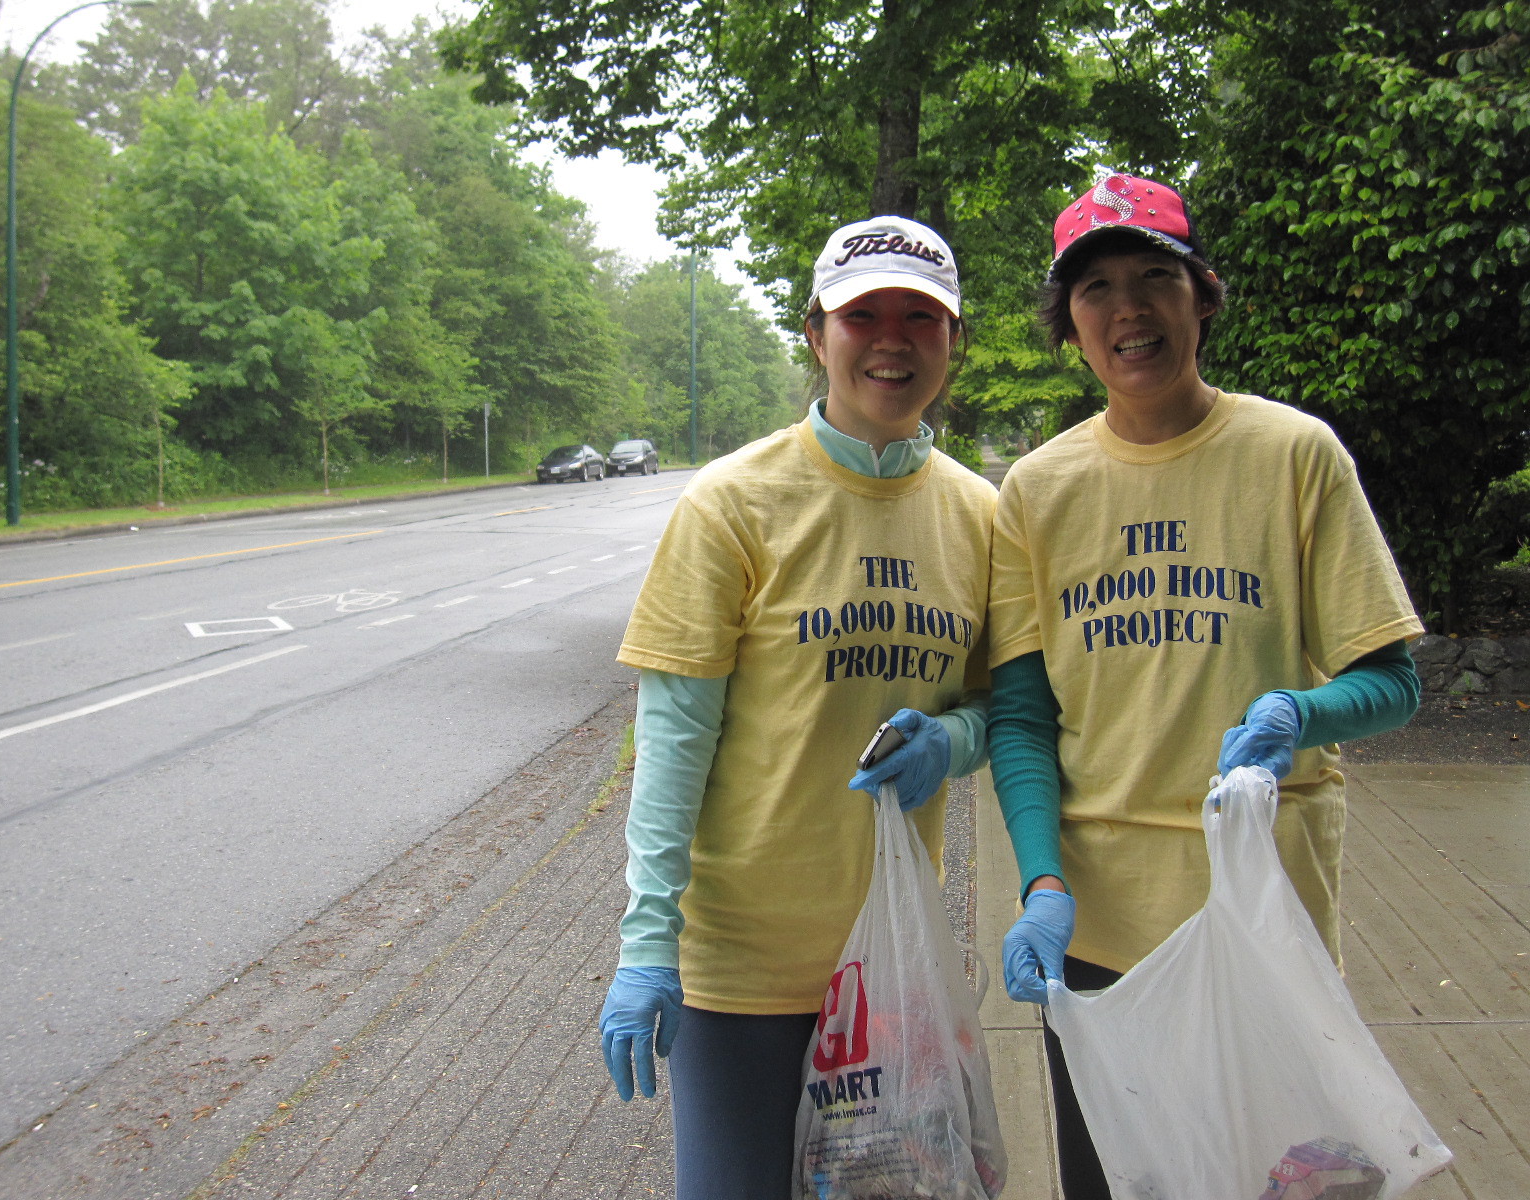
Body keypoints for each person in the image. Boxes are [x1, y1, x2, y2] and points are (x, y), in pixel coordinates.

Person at [986, 173, 1423, 1199]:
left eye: (1154, 277)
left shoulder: (1292, 456)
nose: (1126, 308)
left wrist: (1300, 712)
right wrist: (1041, 882)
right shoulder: (1036, 492)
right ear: (1070, 326)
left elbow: (1392, 680)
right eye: (1094, 290)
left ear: (1203, 295)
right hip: (1095, 938)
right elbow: (1019, 719)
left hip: (1264, 920)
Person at [597, 215, 999, 1199]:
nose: (893, 339)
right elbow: (674, 742)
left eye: (921, 317)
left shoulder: (983, 517)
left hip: (889, 968)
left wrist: (952, 739)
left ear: (953, 342)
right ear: (817, 335)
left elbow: (1005, 709)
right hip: (738, 972)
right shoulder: (731, 503)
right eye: (864, 315)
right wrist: (647, 946)